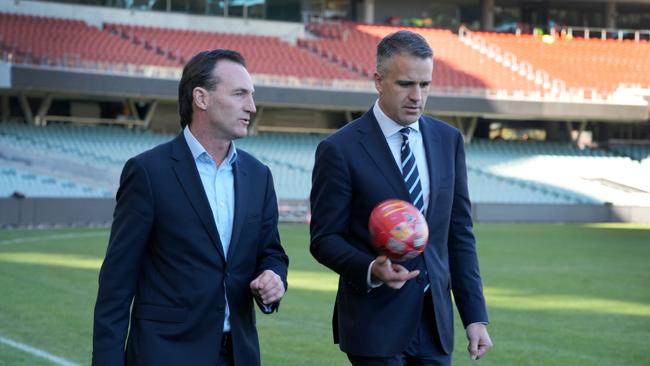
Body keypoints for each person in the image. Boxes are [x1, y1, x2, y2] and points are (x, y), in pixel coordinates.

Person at [92, 49, 289, 366]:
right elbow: (117, 283)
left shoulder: (259, 175)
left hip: (239, 354)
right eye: (240, 94)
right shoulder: (148, 172)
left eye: (251, 95)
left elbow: (271, 252)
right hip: (165, 354)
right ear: (201, 97)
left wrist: (273, 277)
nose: (251, 106)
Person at [310, 30, 492, 365]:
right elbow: (324, 239)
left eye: (425, 85)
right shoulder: (339, 149)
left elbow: (458, 235)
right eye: (406, 84)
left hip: (435, 324)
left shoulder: (448, 140)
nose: (417, 96)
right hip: (375, 323)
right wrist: (370, 268)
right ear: (378, 81)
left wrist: (475, 316)